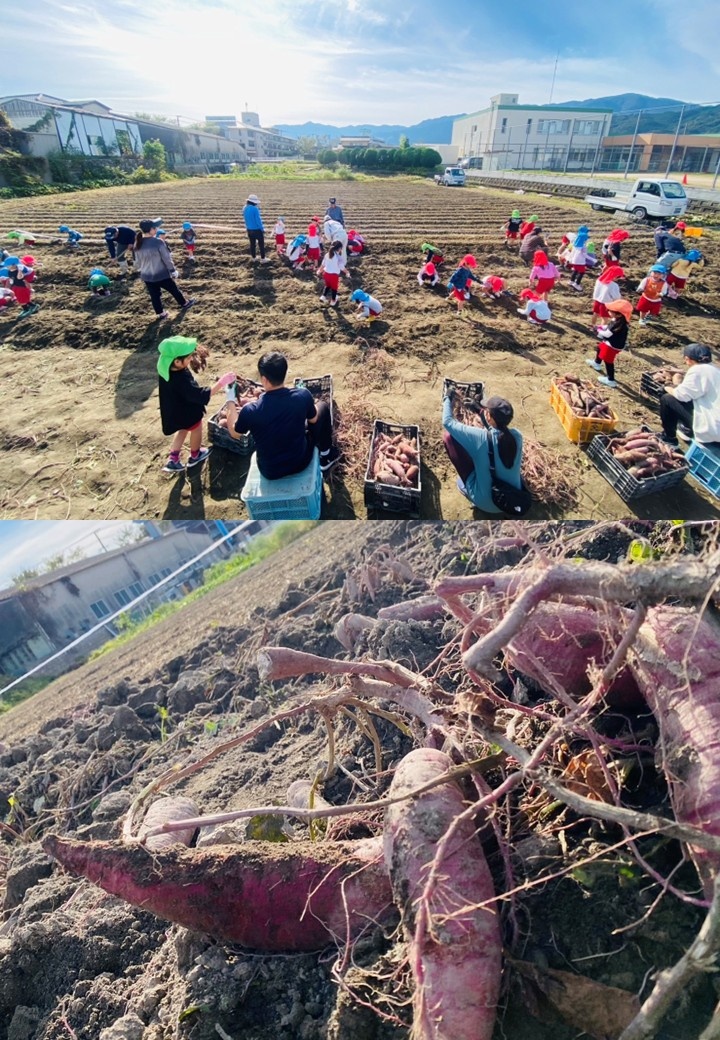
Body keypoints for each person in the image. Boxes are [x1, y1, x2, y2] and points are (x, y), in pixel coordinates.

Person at [224, 350, 337, 477]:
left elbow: (234, 433)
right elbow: (314, 420)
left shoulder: (250, 410)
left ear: (264, 379)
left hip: (269, 471)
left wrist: (230, 400)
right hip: (300, 462)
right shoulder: (302, 396)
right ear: (284, 373)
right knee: (323, 407)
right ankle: (326, 455)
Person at [157, 336, 235, 473]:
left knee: (182, 429)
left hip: (176, 409)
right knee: (196, 428)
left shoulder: (166, 367)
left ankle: (173, 458)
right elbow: (199, 395)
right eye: (188, 358)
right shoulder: (181, 380)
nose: (191, 360)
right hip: (187, 411)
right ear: (177, 361)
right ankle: (195, 454)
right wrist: (221, 383)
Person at [442, 391, 524, 512]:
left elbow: (447, 422)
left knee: (448, 437)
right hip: (512, 500)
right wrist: (478, 411)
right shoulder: (517, 436)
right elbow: (496, 428)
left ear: (489, 416)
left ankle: (471, 492)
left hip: (486, 503)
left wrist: (447, 398)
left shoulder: (480, 438)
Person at [659, 343, 720, 446]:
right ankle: (687, 429)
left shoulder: (697, 370)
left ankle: (670, 438)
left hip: (712, 427)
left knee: (667, 399)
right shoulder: (716, 370)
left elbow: (681, 395)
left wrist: (666, 387)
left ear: (688, 359)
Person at [134, 219, 195, 319]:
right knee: (174, 290)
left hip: (146, 276)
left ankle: (161, 313)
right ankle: (185, 303)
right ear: (151, 229)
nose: (157, 229)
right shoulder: (158, 242)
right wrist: (173, 270)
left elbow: (137, 262)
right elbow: (166, 259)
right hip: (161, 274)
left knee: (154, 296)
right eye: (155, 228)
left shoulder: (138, 243)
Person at [586, 298, 631, 389]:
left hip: (612, 346)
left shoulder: (617, 324)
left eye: (610, 311)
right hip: (612, 343)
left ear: (618, 313)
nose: (608, 311)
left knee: (608, 361)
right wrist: (600, 326)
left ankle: (611, 380)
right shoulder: (618, 320)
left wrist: (597, 330)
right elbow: (608, 326)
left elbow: (607, 334)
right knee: (600, 347)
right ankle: (596, 363)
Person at [243, 194, 270, 262]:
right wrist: (262, 229)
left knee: (252, 244)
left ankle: (254, 258)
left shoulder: (244, 208)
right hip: (257, 230)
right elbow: (258, 220)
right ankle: (263, 258)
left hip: (249, 229)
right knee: (261, 244)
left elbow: (245, 219)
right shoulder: (255, 209)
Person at [319, 241, 348, 306]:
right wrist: (347, 272)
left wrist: (319, 270)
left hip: (326, 274)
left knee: (328, 286)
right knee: (334, 289)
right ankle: (333, 301)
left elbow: (323, 264)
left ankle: (323, 296)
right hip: (334, 276)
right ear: (340, 248)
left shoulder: (327, 254)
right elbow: (341, 267)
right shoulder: (338, 257)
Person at [566, 226, 591, 290]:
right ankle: (577, 284)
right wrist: (594, 260)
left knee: (575, 270)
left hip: (574, 261)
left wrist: (569, 259)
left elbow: (572, 252)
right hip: (580, 262)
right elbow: (585, 255)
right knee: (581, 272)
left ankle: (571, 281)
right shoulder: (583, 246)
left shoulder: (575, 244)